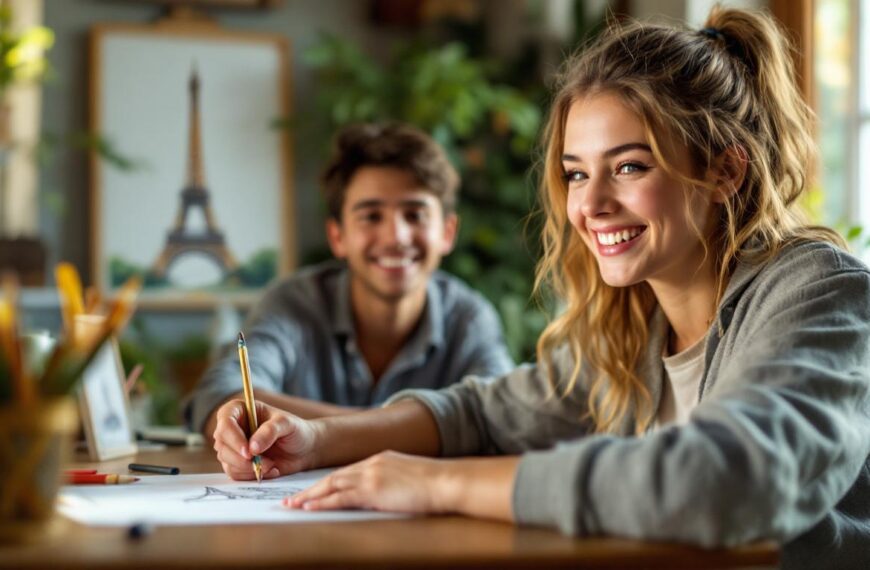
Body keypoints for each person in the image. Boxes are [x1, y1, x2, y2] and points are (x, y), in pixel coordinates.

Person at [210, 7, 870, 569]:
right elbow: (483, 413)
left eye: (630, 166)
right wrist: (317, 441)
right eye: (576, 174)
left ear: (724, 171)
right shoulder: (633, 321)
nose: (592, 205)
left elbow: (724, 481)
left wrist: (440, 485)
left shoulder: (817, 292)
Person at [186, 122, 514, 436]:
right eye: (371, 216)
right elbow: (220, 397)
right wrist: (410, 429)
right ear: (337, 236)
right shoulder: (292, 303)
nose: (396, 237)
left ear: (447, 232)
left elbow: (502, 417)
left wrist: (330, 433)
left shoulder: (469, 317)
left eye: (415, 215)